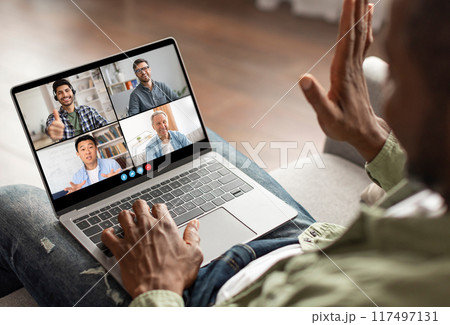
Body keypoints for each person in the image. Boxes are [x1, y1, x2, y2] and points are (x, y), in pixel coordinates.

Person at [0, 0, 448, 307]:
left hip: (201, 296)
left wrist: (160, 286)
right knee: (198, 144)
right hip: (304, 243)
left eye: (398, 78)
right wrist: (374, 139)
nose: (386, 100)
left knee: (10, 204)